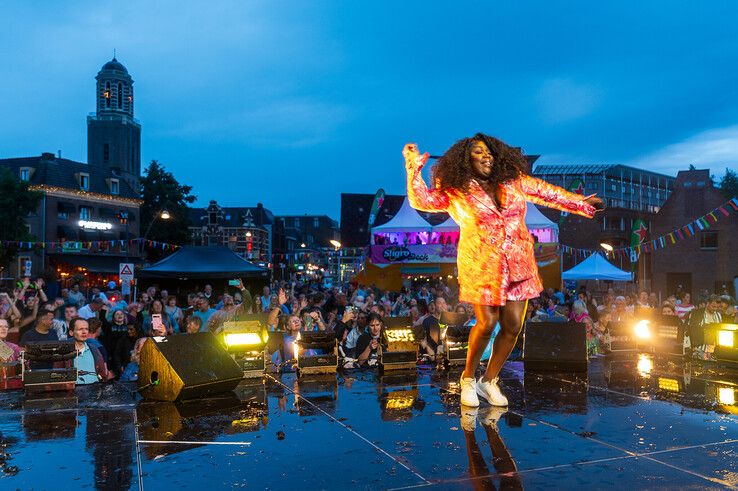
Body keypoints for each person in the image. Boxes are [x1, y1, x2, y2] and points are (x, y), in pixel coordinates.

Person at [403, 136, 603, 407]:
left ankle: (489, 380)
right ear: (466, 159)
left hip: (520, 264)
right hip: (482, 265)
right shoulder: (456, 191)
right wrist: (412, 167)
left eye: (490, 152)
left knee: (512, 327)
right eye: (478, 152)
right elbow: (421, 200)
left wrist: (582, 203)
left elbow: (549, 193)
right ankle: (468, 379)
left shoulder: (514, 182)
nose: (486, 157)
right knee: (486, 324)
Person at [68, 317, 108, 384]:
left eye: (86, 329)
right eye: (80, 329)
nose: (84, 332)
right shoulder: (64, 351)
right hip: (74, 392)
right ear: (71, 332)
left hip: (94, 391)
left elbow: (103, 373)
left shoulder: (94, 349)